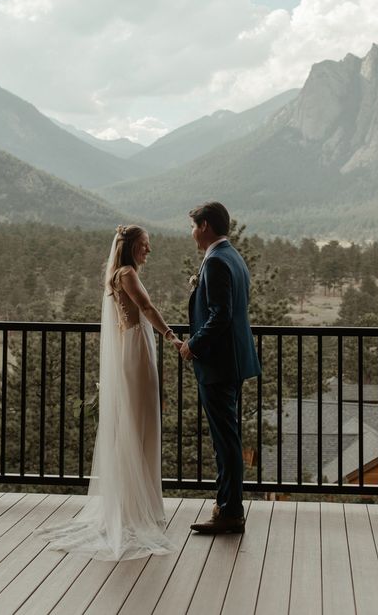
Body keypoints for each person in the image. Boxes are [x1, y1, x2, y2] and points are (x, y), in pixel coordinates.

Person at [35, 224, 180, 560]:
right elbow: (145, 308)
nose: (149, 249)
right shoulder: (127, 273)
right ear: (130, 246)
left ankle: (140, 505)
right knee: (136, 422)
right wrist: (173, 337)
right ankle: (132, 509)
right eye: (145, 244)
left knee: (141, 420)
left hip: (138, 344)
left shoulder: (122, 272)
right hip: (137, 348)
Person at [180, 202, 261, 534]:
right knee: (228, 436)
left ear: (205, 226)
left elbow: (220, 315)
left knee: (225, 439)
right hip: (235, 360)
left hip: (218, 364)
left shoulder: (215, 261)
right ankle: (228, 505)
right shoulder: (233, 257)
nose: (192, 233)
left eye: (194, 226)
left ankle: (230, 511)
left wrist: (192, 345)